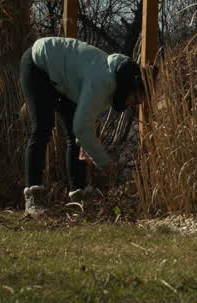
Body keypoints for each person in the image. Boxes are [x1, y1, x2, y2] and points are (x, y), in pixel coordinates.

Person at [19, 36, 144, 216]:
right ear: (128, 88)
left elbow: (85, 120)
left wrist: (86, 142)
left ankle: (78, 199)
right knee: (42, 127)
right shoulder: (103, 81)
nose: (133, 105)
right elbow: (82, 127)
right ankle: (33, 197)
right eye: (135, 100)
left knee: (76, 139)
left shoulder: (112, 83)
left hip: (61, 82)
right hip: (38, 64)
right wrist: (105, 162)